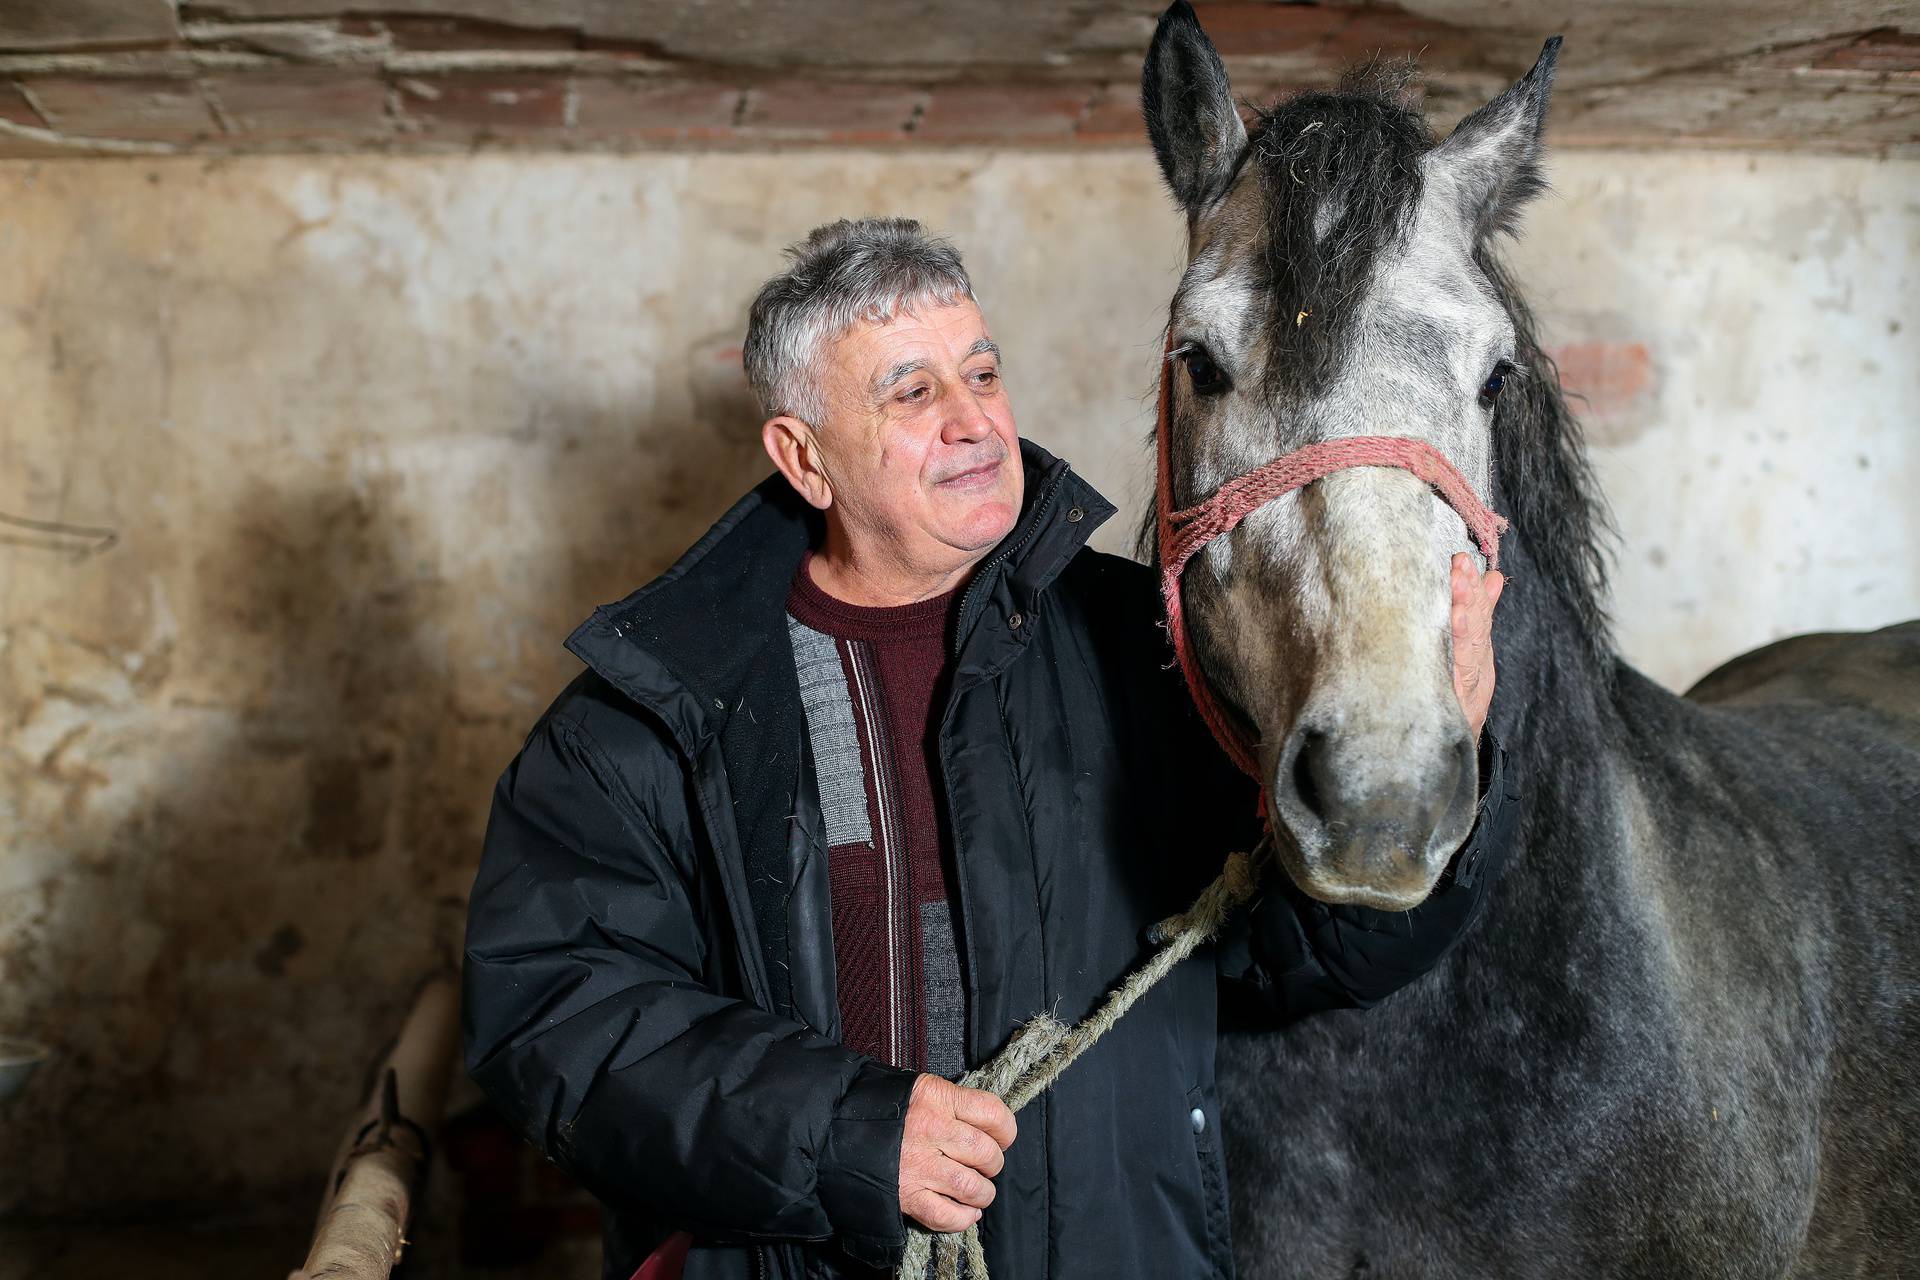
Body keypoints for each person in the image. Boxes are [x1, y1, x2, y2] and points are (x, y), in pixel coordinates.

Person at [463, 217, 1516, 1280]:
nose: (974, 423)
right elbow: (557, 1019)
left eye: (982, 372)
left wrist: (1429, 782)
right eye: (911, 393)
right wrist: (852, 1135)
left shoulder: (1149, 654)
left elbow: (1302, 955)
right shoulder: (660, 706)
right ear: (803, 456)